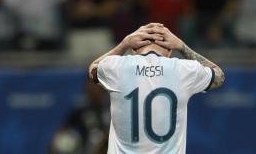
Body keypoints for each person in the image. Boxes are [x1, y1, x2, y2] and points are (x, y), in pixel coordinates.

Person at [88, 22, 225, 154]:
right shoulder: (184, 69)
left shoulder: (115, 67)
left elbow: (92, 69)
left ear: (134, 49)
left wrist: (124, 44)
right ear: (170, 51)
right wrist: (182, 46)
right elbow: (219, 75)